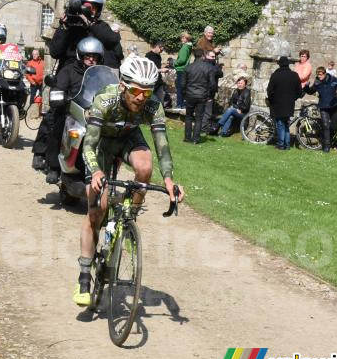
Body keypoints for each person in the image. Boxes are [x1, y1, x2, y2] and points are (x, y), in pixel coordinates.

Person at [73, 55, 185, 306]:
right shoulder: (106, 99)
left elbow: (162, 146)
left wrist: (168, 180)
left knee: (145, 168)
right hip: (101, 144)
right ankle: (83, 276)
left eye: (146, 93)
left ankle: (129, 217)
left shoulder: (152, 105)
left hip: (127, 138)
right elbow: (88, 144)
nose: (140, 98)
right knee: (97, 210)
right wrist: (96, 172)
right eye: (135, 91)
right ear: (123, 85)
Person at [32, 0, 120, 170]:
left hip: (93, 77)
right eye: (85, 6)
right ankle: (41, 153)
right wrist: (65, 26)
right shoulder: (70, 25)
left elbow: (111, 41)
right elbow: (55, 51)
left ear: (98, 10)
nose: (88, 10)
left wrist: (90, 24)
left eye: (92, 7)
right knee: (54, 114)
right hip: (69, 73)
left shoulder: (100, 26)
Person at [44, 37, 104, 184]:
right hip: (71, 110)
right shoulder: (69, 70)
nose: (91, 60)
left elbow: (109, 88)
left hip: (94, 112)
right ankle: (54, 167)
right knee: (58, 124)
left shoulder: (100, 74)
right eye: (87, 56)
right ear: (80, 56)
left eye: (94, 57)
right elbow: (59, 86)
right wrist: (59, 97)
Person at [304, 66, 337, 153]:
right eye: (318, 74)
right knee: (326, 126)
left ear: (325, 74)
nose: (319, 76)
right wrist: (306, 87)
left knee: (333, 127)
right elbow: (311, 91)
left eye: (320, 74)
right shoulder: (317, 82)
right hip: (323, 107)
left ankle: (326, 139)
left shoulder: (332, 79)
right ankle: (326, 147)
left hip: (334, 106)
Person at [182, 48, 219, 144]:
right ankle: (195, 139)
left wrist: (184, 95)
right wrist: (209, 96)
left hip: (190, 95)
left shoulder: (188, 67)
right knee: (199, 118)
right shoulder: (208, 67)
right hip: (202, 96)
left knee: (189, 117)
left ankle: (187, 137)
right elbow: (213, 84)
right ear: (203, 56)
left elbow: (182, 84)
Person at [267, 56, 302, 150]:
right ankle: (287, 145)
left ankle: (280, 144)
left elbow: (269, 90)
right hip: (289, 103)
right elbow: (299, 92)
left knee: (280, 124)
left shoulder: (275, 75)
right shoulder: (294, 75)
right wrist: (292, 98)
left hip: (277, 103)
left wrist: (272, 100)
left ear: (279, 64)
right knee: (285, 123)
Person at [173, 32, 192, 109]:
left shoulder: (184, 47)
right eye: (182, 37)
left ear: (186, 38)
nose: (181, 39)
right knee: (182, 87)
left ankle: (179, 105)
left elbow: (182, 60)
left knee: (179, 87)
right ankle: (182, 105)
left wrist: (174, 63)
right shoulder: (188, 47)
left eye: (183, 38)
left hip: (181, 69)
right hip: (184, 69)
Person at [25, 48, 44, 113]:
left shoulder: (43, 62)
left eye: (35, 54)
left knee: (43, 96)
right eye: (33, 54)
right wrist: (31, 81)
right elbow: (27, 74)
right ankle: (31, 111)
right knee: (32, 97)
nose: (34, 55)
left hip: (41, 82)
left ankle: (41, 110)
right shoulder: (29, 63)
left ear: (38, 55)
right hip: (33, 82)